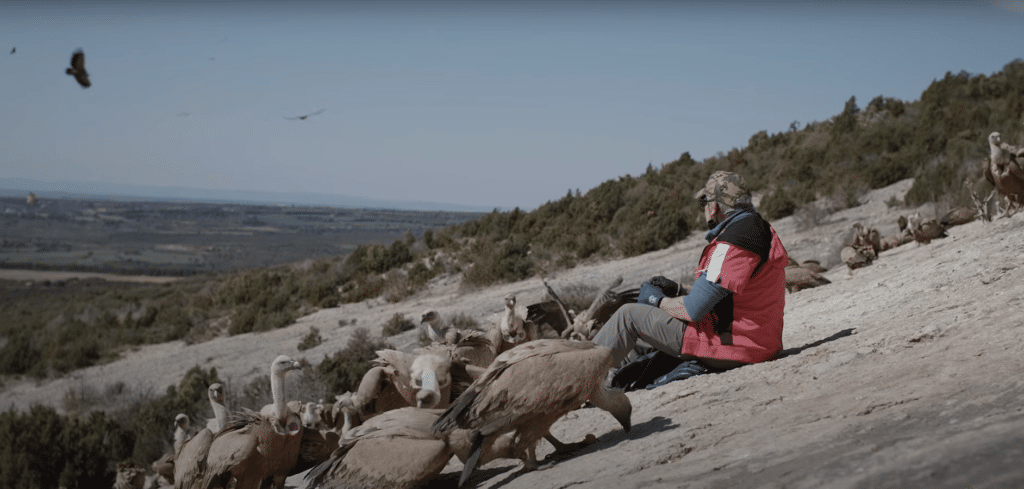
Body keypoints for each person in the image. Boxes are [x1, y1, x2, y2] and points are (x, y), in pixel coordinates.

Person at [593, 171, 789, 386]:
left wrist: (656, 300)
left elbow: (693, 310)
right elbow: (728, 294)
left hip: (737, 346)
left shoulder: (734, 241)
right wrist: (679, 289)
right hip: (759, 340)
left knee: (628, 316)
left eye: (704, 202)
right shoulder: (756, 229)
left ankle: (581, 380)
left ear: (713, 206)